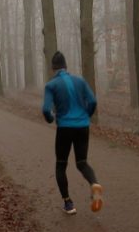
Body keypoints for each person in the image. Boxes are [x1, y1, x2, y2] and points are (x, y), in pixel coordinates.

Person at [42, 51, 103, 215]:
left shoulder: (51, 85)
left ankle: (68, 204)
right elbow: (93, 101)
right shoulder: (80, 81)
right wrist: (86, 116)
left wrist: (50, 118)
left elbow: (46, 109)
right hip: (82, 126)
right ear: (66, 66)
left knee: (61, 165)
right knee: (82, 162)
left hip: (65, 128)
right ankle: (94, 184)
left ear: (53, 68)